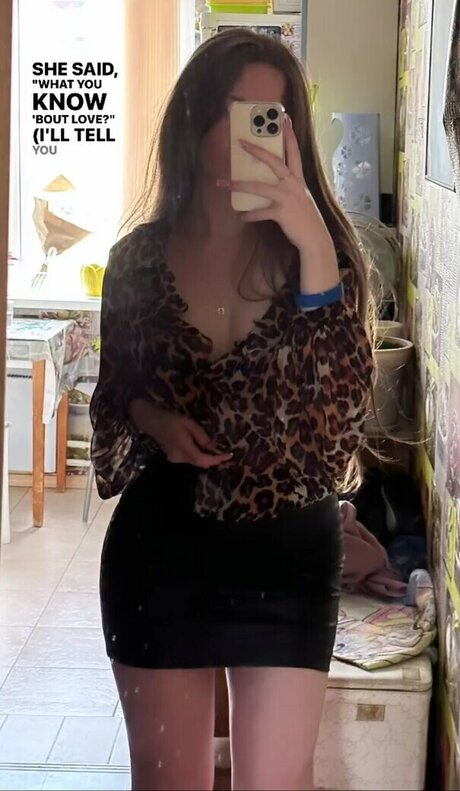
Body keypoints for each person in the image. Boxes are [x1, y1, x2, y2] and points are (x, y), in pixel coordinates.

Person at [90, 28, 374, 791]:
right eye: (232, 112)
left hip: (289, 555)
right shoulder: (136, 260)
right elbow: (117, 394)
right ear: (193, 120)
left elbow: (341, 422)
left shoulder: (323, 257)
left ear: (292, 137)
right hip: (161, 551)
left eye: (268, 120)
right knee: (167, 781)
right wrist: (158, 423)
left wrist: (314, 246)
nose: (248, 136)